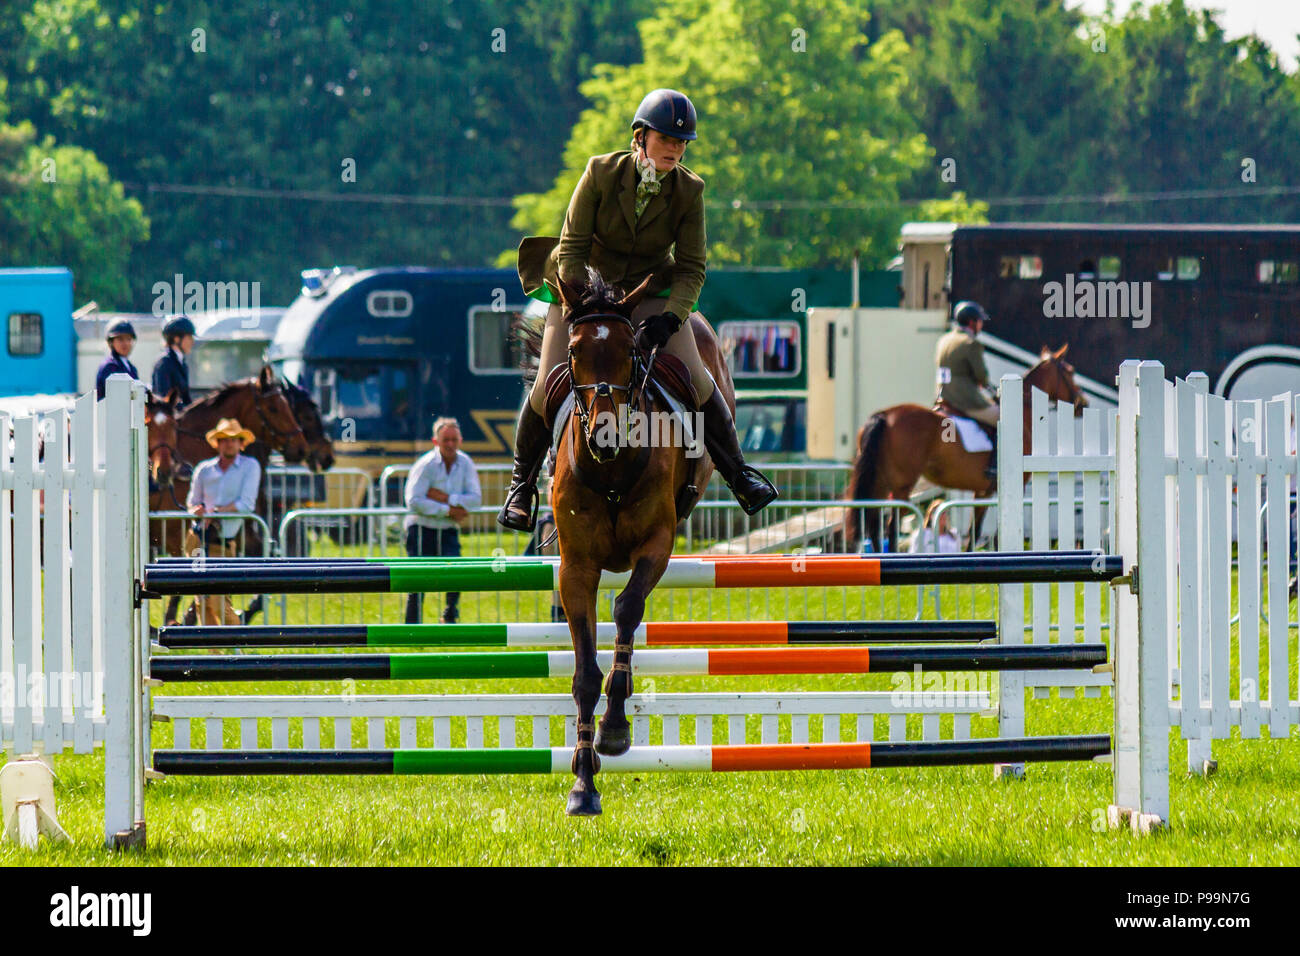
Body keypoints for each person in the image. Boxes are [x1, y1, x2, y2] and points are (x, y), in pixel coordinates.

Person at [502, 88, 778, 531]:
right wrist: (583, 305)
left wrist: (670, 317)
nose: (675, 148)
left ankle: (739, 475)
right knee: (545, 385)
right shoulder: (600, 172)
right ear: (640, 137)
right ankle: (522, 486)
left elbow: (691, 269)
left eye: (681, 142)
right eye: (666, 139)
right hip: (583, 285)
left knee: (701, 382)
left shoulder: (689, 190)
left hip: (648, 287)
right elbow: (571, 249)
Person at [404, 417, 482, 624]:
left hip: (447, 529)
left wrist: (445, 498)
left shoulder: (466, 463)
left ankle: (450, 615)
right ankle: (412, 626)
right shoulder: (425, 464)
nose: (450, 444)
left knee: (455, 572)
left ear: (460, 440)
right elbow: (412, 500)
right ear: (435, 441)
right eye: (445, 440)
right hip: (420, 528)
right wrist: (449, 510)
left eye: (453, 440)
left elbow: (476, 499)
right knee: (417, 580)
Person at [183, 418, 261, 625]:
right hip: (197, 539)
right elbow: (192, 502)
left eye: (234, 439)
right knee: (201, 599)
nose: (229, 443)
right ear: (217, 442)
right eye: (224, 439)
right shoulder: (204, 469)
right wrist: (198, 511)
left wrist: (214, 513)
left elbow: (246, 504)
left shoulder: (250, 467)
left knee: (218, 601)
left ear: (241, 443)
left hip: (223, 541)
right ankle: (214, 653)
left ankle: (239, 644)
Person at [935, 300, 998, 478]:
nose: (981, 325)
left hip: (943, 397)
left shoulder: (945, 339)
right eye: (979, 321)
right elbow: (981, 376)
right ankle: (995, 466)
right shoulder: (971, 343)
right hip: (963, 400)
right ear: (972, 322)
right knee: (1003, 419)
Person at [152, 314, 196, 410]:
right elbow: (164, 398)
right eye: (189, 337)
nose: (192, 342)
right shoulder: (164, 364)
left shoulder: (183, 364)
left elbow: (186, 399)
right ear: (176, 338)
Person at [95, 319, 140, 400]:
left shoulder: (131, 368)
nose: (126, 343)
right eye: (120, 339)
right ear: (111, 342)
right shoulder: (109, 366)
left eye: (129, 339)